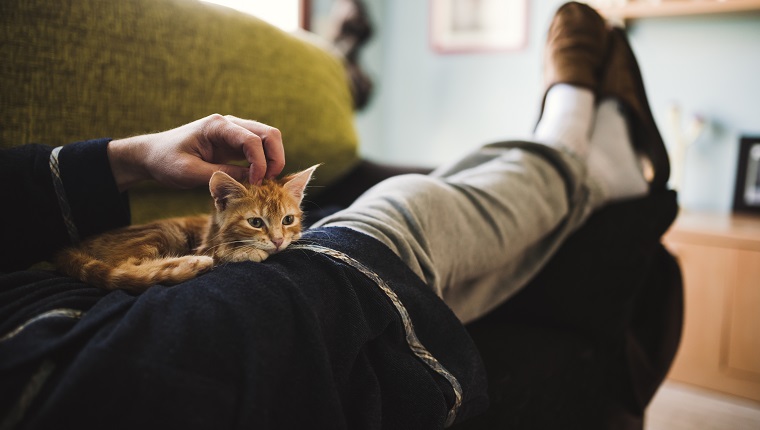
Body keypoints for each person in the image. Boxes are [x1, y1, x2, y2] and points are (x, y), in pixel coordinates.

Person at [0, 3, 669, 429]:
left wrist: (134, 157)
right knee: (396, 215)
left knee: (405, 214)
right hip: (69, 353)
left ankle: (579, 154)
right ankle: (571, 134)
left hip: (55, 306)